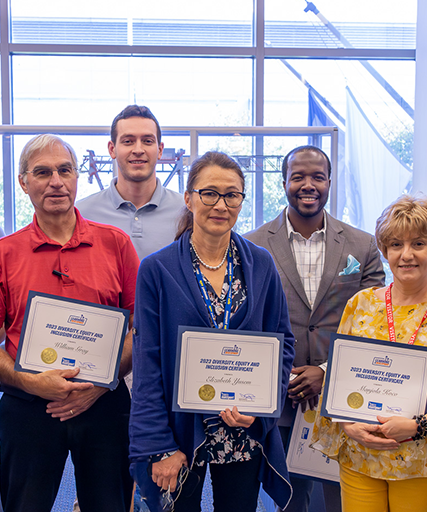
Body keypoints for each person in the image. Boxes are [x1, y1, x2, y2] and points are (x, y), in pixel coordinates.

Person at [129, 151, 295, 512]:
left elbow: (282, 344)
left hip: (241, 426)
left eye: (232, 195)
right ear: (189, 198)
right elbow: (148, 363)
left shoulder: (260, 264)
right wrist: (159, 445)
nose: (221, 204)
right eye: (209, 193)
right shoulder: (157, 269)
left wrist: (261, 410)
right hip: (180, 432)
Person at [311, 193, 427, 512]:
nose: (407, 255)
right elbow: (338, 376)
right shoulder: (361, 304)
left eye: (418, 244)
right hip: (360, 451)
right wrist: (348, 424)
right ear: (385, 250)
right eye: (396, 244)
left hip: (424, 456)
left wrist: (418, 424)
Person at [0, 134, 139, 512]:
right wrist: (32, 382)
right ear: (23, 182)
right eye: (42, 172)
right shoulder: (4, 253)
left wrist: (98, 383)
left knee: (110, 505)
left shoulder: (116, 244)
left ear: (78, 177)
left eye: (65, 170)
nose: (56, 181)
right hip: (28, 405)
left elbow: (139, 330)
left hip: (104, 403)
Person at [245, 145, 385, 512]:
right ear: (284, 181)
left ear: (329, 181)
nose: (308, 185)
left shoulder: (362, 245)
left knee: (344, 500)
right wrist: (281, 373)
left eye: (318, 177)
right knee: (290, 500)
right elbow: (249, 322)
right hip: (282, 393)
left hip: (344, 395)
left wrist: (326, 371)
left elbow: (375, 324)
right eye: (298, 176)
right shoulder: (252, 245)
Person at [77, 105, 184, 261]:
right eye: (128, 141)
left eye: (147, 141)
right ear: (112, 149)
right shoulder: (81, 215)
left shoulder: (187, 213)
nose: (138, 149)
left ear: (160, 150)